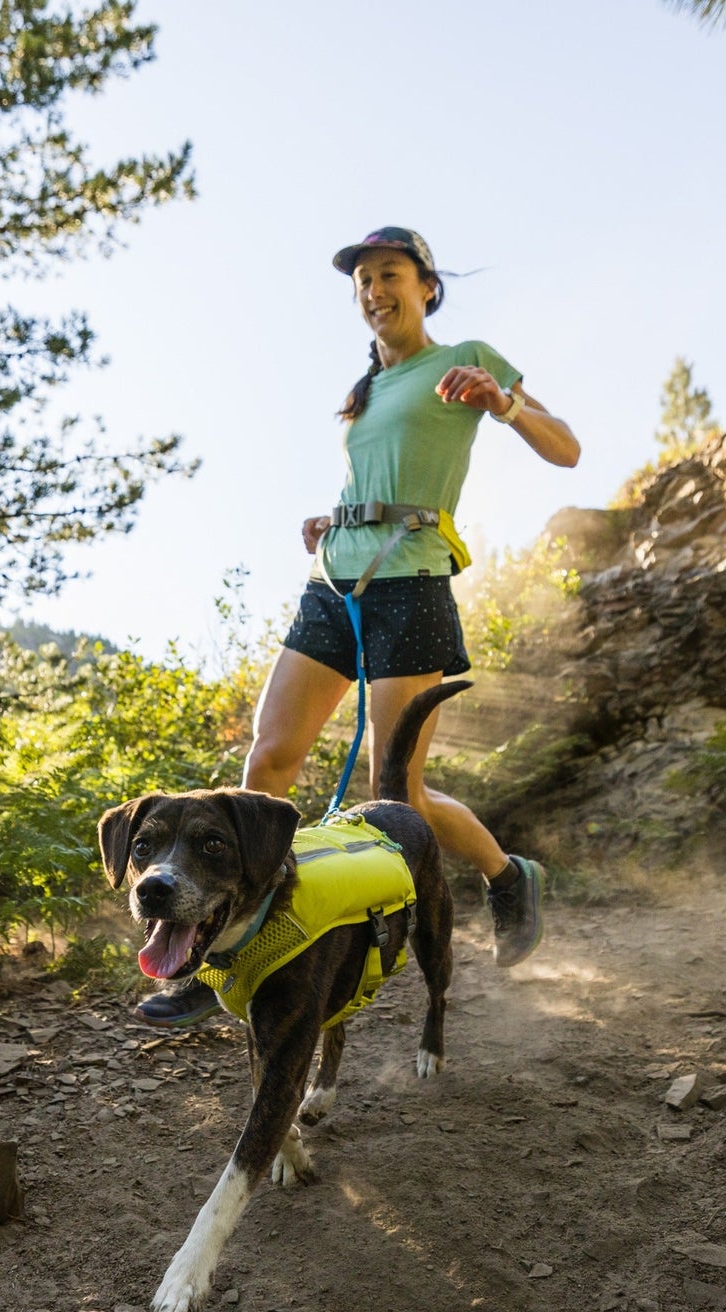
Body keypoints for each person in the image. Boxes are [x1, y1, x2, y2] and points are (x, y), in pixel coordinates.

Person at [139, 226, 580, 1027]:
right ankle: (226, 946)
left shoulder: (465, 358)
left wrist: (503, 402)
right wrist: (335, 519)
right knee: (266, 760)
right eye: (363, 282)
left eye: (390, 276)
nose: (375, 291)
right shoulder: (364, 391)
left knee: (396, 788)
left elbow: (567, 449)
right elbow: (376, 474)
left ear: (426, 287)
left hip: (409, 585)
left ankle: (508, 876)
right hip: (334, 581)